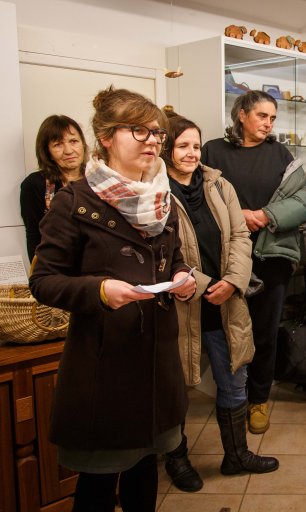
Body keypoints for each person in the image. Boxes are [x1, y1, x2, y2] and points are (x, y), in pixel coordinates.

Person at [29, 86, 196, 512]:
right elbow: (44, 281)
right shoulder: (74, 201)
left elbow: (174, 258)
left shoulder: (162, 197)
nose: (152, 141)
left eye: (156, 132)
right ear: (105, 137)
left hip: (157, 360)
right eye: (139, 131)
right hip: (105, 366)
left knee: (145, 470)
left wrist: (182, 277)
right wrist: (100, 290)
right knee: (100, 484)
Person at [161, 111, 279, 492]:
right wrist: (204, 284)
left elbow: (241, 237)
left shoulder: (219, 185)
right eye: (183, 145)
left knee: (234, 380)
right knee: (175, 388)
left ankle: (236, 455)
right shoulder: (155, 190)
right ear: (166, 148)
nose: (192, 153)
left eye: (196, 146)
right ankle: (177, 459)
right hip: (181, 307)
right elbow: (160, 253)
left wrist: (232, 281)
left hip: (225, 302)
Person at [202, 90, 306, 435]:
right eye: (262, 116)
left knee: (264, 333)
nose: (268, 124)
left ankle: (259, 400)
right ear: (242, 115)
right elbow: (200, 196)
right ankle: (232, 397)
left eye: (272, 118)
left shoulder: (280, 154)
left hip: (270, 258)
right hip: (225, 259)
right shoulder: (213, 151)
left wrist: (264, 215)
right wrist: (240, 215)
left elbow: (304, 200)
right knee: (227, 331)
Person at [20, 114, 88, 261]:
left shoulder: (99, 179)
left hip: (99, 264)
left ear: (83, 144)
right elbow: (34, 236)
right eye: (58, 144)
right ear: (47, 152)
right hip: (58, 265)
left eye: (74, 141)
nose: (68, 150)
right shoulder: (34, 184)